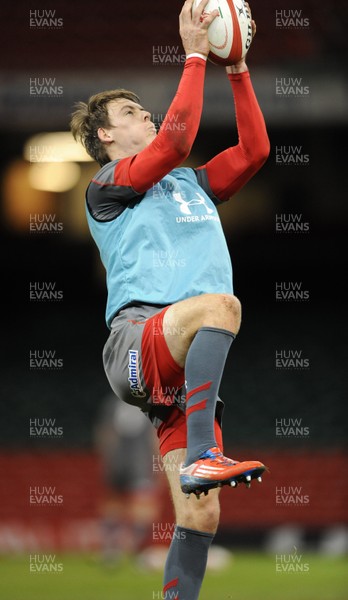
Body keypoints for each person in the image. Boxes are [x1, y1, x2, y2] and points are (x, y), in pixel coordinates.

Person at [71, 1, 270, 597]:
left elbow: (256, 151)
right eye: (131, 111)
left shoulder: (190, 183)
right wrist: (193, 54)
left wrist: (237, 69)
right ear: (106, 135)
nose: (147, 114)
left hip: (177, 376)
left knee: (200, 515)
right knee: (222, 306)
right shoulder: (106, 188)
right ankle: (207, 451)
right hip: (138, 341)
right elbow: (176, 140)